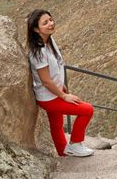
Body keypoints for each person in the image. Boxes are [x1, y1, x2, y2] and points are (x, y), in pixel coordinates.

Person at [27, 9, 94, 157]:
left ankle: (64, 155)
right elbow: (45, 80)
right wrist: (64, 96)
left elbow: (56, 67)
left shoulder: (49, 41)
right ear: (36, 29)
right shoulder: (38, 51)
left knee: (57, 126)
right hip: (48, 97)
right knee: (87, 110)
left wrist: (62, 85)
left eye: (50, 19)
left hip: (54, 91)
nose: (51, 24)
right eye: (45, 23)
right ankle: (75, 144)